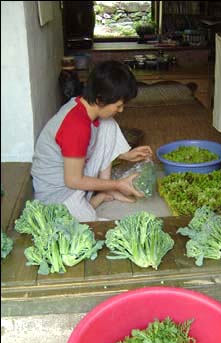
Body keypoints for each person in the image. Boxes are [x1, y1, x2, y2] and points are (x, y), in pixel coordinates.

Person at [31, 60, 153, 222]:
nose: (121, 110)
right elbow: (73, 181)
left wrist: (125, 155)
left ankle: (104, 189)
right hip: (57, 194)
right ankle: (101, 195)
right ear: (100, 99)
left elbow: (89, 148)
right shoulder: (76, 126)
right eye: (118, 105)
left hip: (71, 175)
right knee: (90, 221)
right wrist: (117, 184)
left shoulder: (82, 103)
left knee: (108, 124)